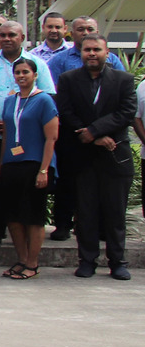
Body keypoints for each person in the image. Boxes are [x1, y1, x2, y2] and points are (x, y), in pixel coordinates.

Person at [56, 35, 134, 280]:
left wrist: (95, 131)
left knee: (115, 213)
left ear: (106, 52)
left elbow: (127, 112)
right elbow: (66, 111)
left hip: (114, 156)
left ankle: (117, 262)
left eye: (96, 50)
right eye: (87, 49)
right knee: (86, 213)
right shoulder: (68, 79)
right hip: (82, 157)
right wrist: (89, 135)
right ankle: (87, 260)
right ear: (81, 52)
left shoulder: (123, 80)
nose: (91, 53)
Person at [0, 21, 56, 247]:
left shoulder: (38, 63)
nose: (7, 39)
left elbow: (48, 98)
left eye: (12, 35)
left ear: (22, 37)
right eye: (3, 35)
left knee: (26, 190)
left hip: (28, 140)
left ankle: (26, 231)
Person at [45, 16, 124, 241]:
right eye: (81, 29)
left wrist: (97, 131)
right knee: (68, 180)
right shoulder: (59, 61)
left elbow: (118, 99)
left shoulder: (114, 61)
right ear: (72, 32)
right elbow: (55, 97)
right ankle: (62, 223)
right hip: (71, 130)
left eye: (90, 29)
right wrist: (82, 129)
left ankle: (95, 227)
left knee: (100, 184)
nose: (86, 32)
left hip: (105, 133)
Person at [0, 57, 57, 280]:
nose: (21, 76)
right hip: (12, 164)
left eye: (25, 72)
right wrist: (1, 166)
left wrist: (44, 170)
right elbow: (6, 136)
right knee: (13, 215)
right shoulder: (10, 101)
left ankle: (32, 262)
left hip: (33, 164)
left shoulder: (43, 100)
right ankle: (21, 258)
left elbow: (51, 138)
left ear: (35, 74)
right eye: (18, 72)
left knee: (33, 215)